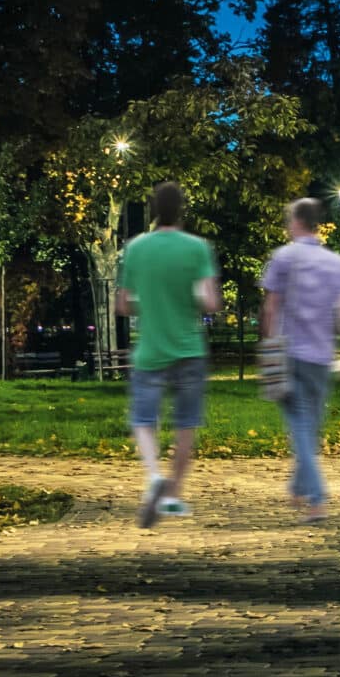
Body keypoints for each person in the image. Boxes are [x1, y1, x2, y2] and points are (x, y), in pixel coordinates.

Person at [114, 180, 221, 528]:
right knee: (185, 425)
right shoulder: (197, 248)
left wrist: (148, 301)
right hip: (189, 348)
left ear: (153, 210)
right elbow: (210, 302)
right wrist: (189, 297)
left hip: (151, 351)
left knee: (143, 419)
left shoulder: (135, 248)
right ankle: (173, 495)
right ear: (182, 210)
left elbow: (122, 304)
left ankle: (154, 476)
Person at [261, 196, 340, 519]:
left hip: (289, 353)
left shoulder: (283, 257)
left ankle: (317, 496)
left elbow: (271, 306)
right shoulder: (337, 264)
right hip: (321, 356)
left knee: (301, 427)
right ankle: (298, 488)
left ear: (296, 222)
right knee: (309, 426)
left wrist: (267, 346)